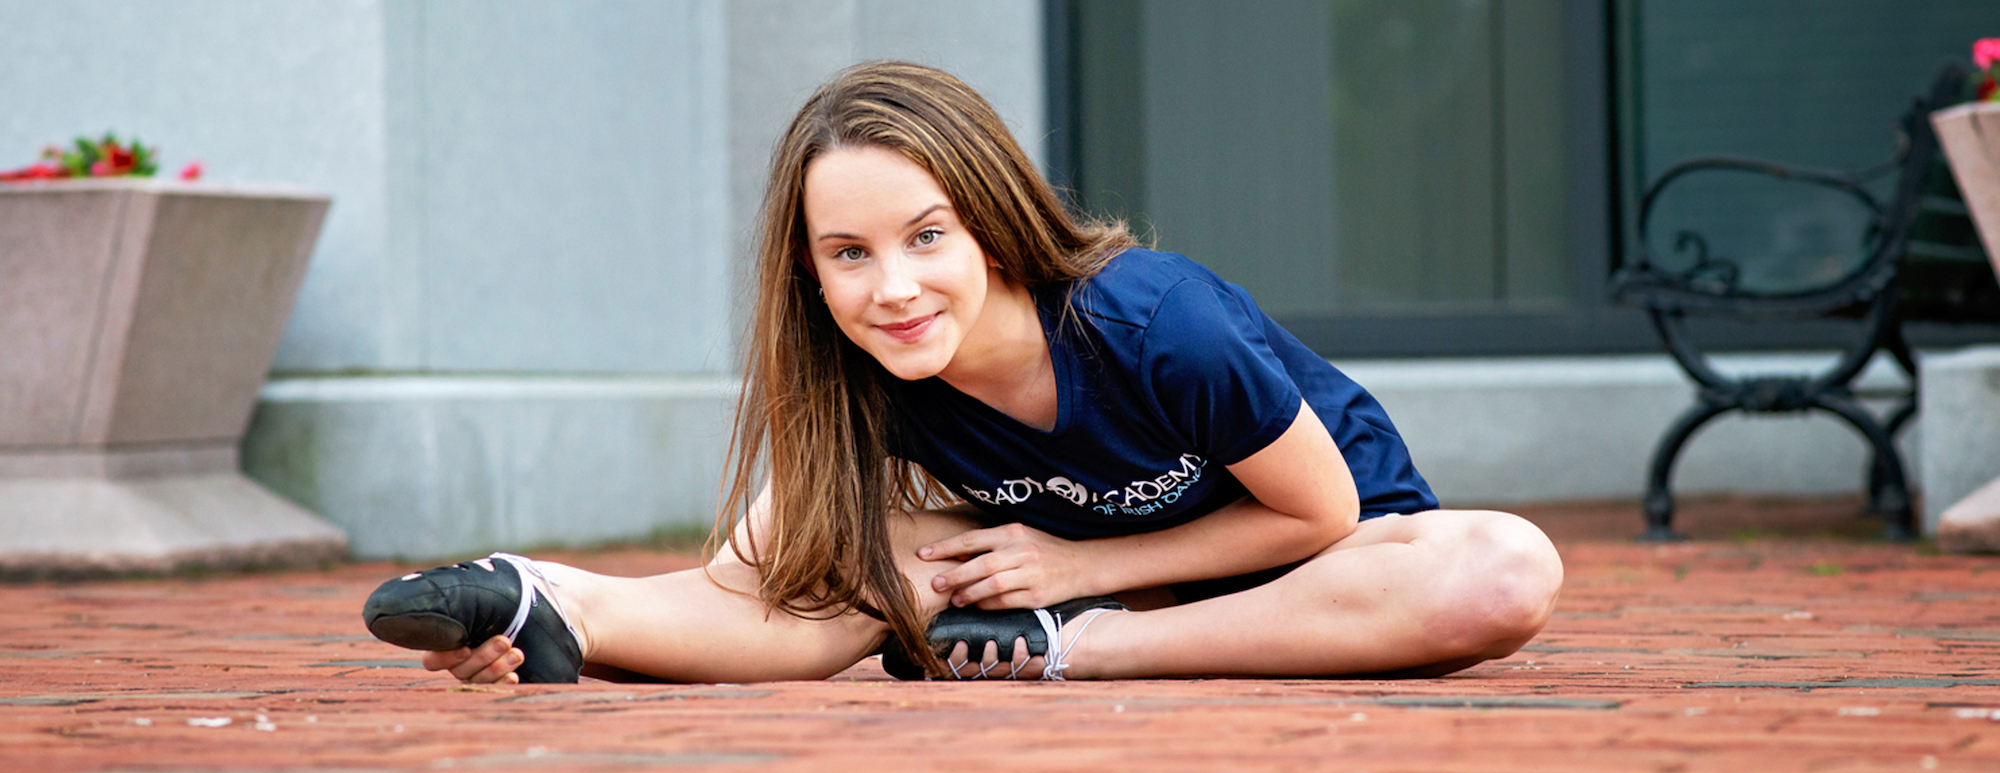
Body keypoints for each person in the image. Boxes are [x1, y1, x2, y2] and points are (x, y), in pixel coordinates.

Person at [360, 61, 1564, 684]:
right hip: (1063, 579)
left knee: (1503, 567)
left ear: (991, 218)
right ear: (810, 270)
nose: (891, 287)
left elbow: (1322, 510)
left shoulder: (1153, 320)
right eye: (847, 253)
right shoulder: (863, 370)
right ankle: (538, 588)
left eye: (925, 235)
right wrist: (555, 617)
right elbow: (740, 589)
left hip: (1315, 575)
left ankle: (1062, 649)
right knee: (859, 546)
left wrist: (1086, 581)